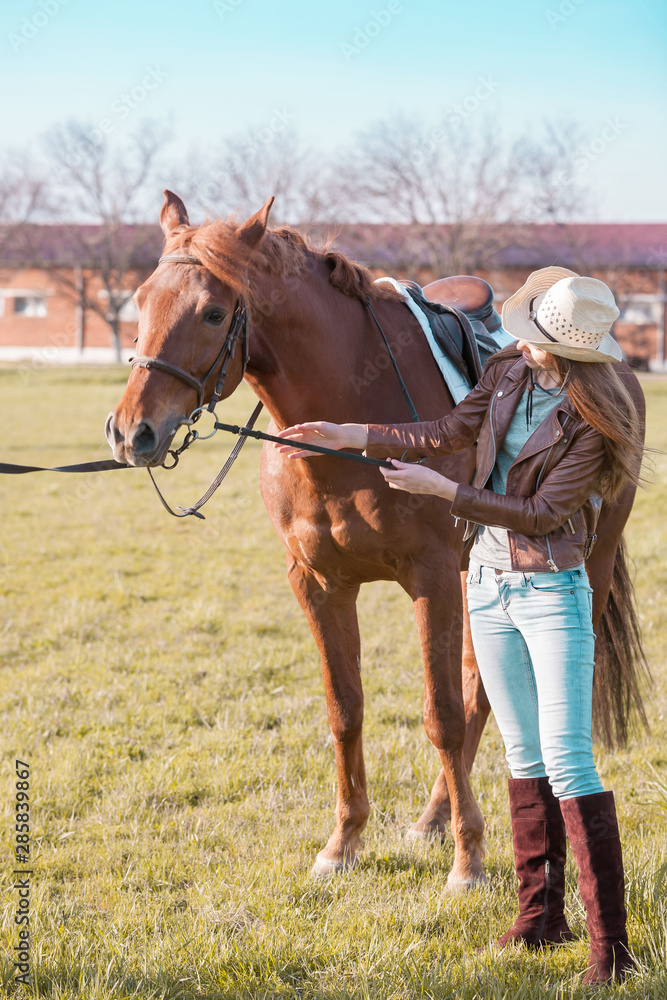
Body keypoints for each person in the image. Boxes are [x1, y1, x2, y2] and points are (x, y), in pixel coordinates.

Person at [275, 267, 644, 984]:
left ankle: (611, 949)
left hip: (549, 589)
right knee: (520, 757)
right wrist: (347, 432)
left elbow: (540, 516)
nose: (516, 340)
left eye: (533, 335)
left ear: (570, 350)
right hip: (487, 586)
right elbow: (448, 427)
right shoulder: (507, 371)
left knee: (567, 760)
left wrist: (443, 491)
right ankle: (539, 918)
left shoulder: (595, 418)